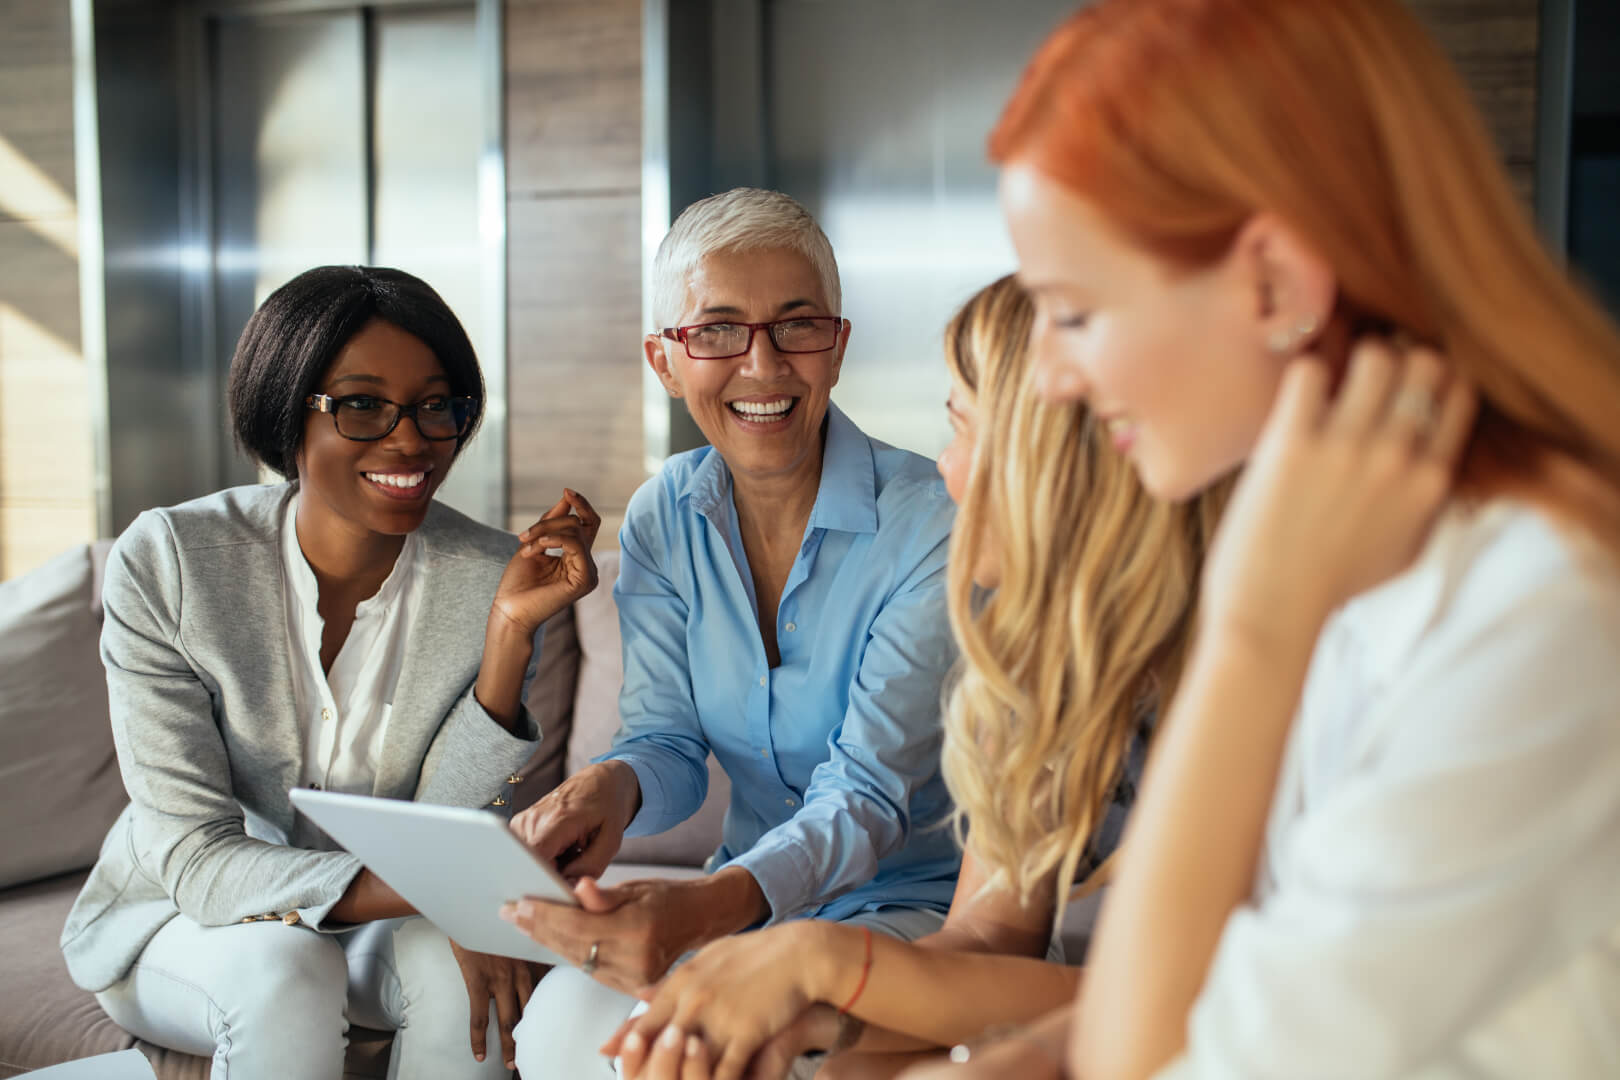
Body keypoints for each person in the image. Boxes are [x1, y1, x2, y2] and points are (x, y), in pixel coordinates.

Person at [928, 0, 1620, 1077]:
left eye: (1072, 311)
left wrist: (1255, 629)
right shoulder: (1373, 551)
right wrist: (1040, 1055)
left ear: (1276, 282)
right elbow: (1248, 978)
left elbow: (1165, 1062)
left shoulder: (1542, 609)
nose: (1053, 379)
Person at [601, 276, 1229, 1080]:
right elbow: (991, 939)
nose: (946, 470)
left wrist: (817, 964)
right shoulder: (1038, 671)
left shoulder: (1236, 662)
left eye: (962, 427)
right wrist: (817, 1021)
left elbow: (1209, 992)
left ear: (1058, 454)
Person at [59, 265, 601, 1080]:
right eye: (361, 405)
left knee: (467, 990)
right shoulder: (172, 562)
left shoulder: (489, 571)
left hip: (374, 918)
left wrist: (509, 636)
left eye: (435, 404)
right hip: (178, 919)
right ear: (286, 412)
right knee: (287, 971)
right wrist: (453, 896)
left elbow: (444, 826)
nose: (411, 438)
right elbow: (201, 860)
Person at [500, 188, 964, 1077]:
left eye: (797, 326)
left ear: (837, 346)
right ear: (665, 362)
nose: (763, 365)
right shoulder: (663, 514)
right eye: (716, 330)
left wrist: (712, 907)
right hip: (750, 901)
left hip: (916, 911)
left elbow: (867, 794)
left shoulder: (932, 523)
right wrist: (609, 788)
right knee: (565, 1026)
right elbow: (667, 744)